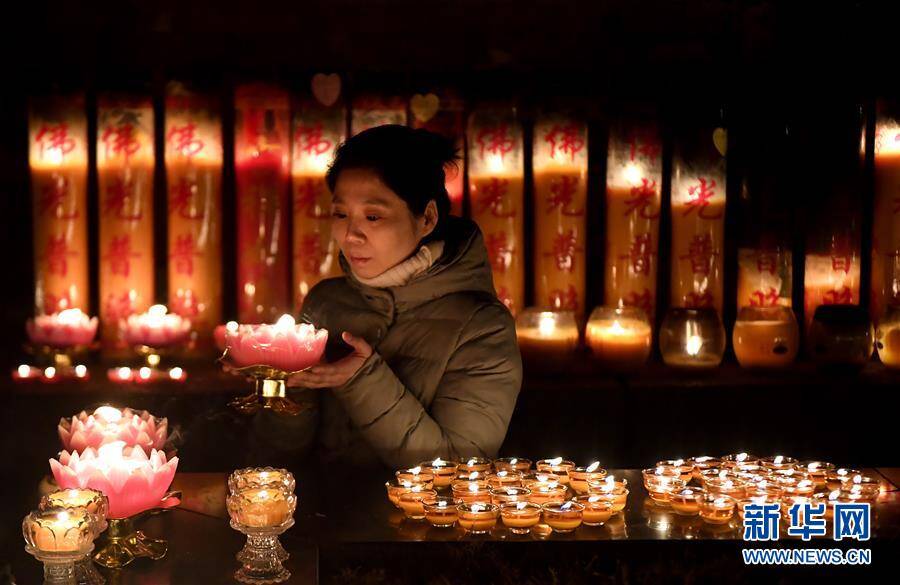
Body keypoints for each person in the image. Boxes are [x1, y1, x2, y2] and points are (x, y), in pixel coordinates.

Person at [287, 124, 522, 469]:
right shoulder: (325, 303)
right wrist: (280, 384)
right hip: (318, 518)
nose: (351, 235)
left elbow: (460, 473)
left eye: (373, 216)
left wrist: (362, 379)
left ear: (426, 218)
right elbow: (276, 459)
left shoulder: (483, 326)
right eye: (340, 214)